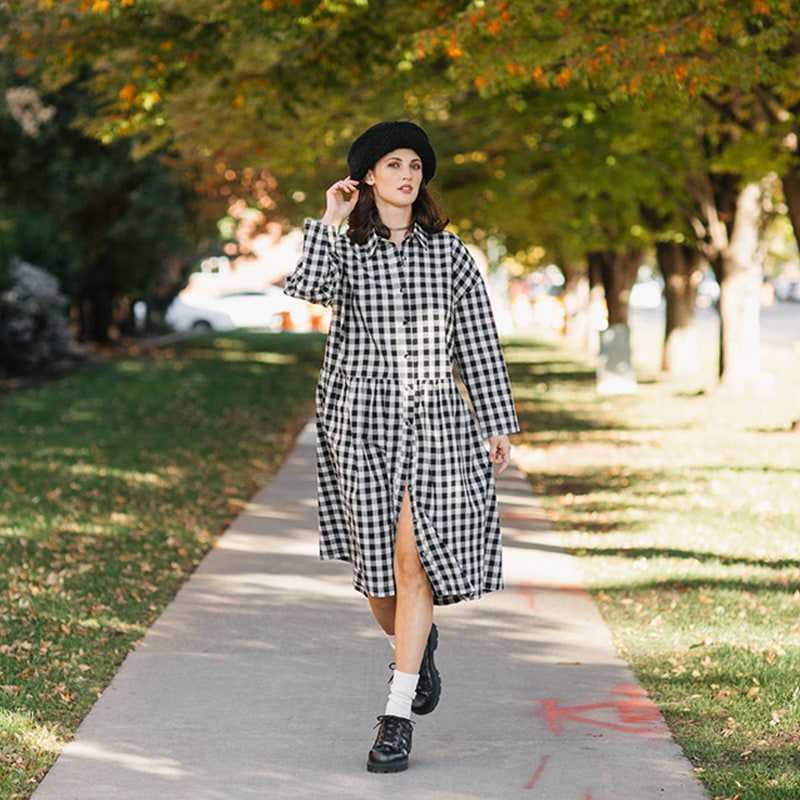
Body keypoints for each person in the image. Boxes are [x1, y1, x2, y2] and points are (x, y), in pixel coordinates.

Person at [284, 120, 519, 773]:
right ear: (366, 178)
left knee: (414, 561)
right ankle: (422, 642)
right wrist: (330, 218)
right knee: (378, 572)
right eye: (392, 164)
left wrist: (496, 420)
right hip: (358, 418)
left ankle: (395, 713)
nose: (407, 174)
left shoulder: (452, 256)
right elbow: (305, 290)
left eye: (415, 163)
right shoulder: (345, 250)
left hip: (437, 417)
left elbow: (477, 344)